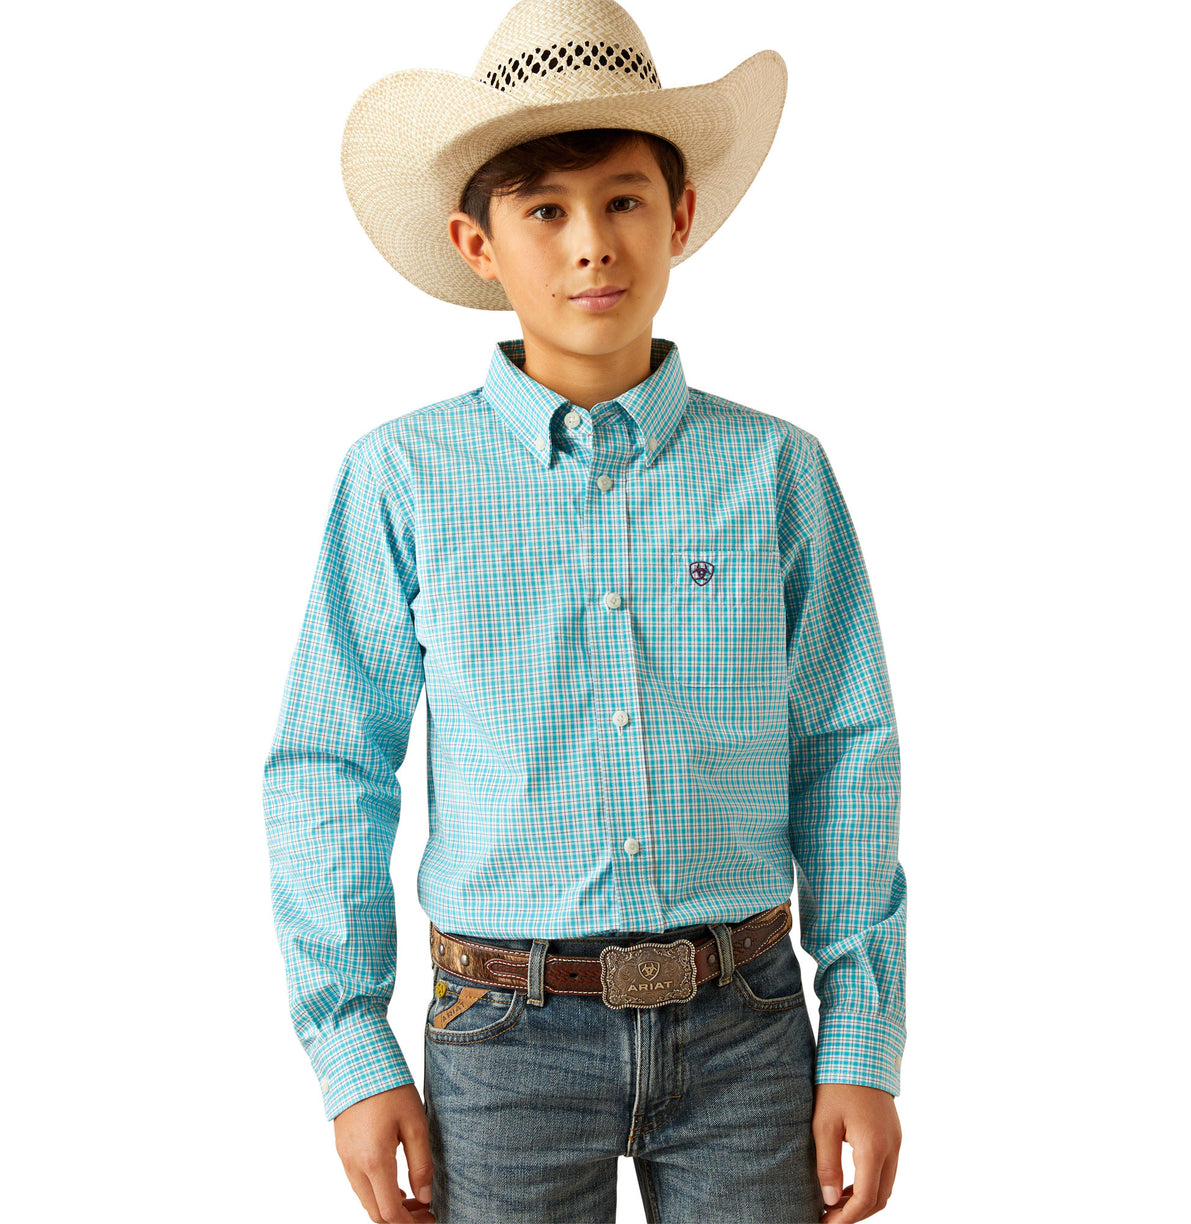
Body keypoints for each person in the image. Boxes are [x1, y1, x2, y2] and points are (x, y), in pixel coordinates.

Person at [262, 2, 906, 1221]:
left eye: (621, 200)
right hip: (500, 1041)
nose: (590, 245)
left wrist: (862, 1039)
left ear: (680, 217)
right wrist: (352, 1051)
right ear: (478, 241)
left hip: (749, 1031)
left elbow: (847, 751)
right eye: (544, 209)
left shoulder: (775, 474)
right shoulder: (402, 480)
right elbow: (329, 762)